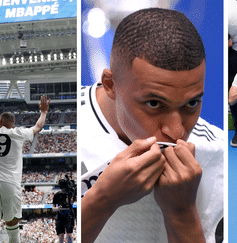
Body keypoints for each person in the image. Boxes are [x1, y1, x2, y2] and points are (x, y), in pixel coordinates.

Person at [80, 8, 224, 243]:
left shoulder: (216, 154)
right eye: (154, 103)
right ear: (110, 84)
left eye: (191, 103)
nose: (176, 131)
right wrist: (103, 199)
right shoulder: (72, 125)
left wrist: (181, 214)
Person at [0, 83, 50, 243]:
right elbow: (38, 126)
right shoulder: (19, 133)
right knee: (13, 230)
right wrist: (43, 111)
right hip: (11, 184)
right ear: (12, 125)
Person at [52, 179, 76, 243]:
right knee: (61, 235)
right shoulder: (56, 195)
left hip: (69, 215)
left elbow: (72, 201)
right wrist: (57, 208)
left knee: (69, 235)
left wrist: (71, 194)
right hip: (60, 216)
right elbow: (53, 207)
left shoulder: (70, 194)